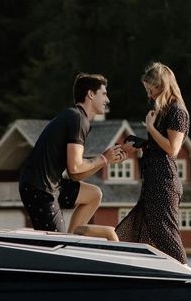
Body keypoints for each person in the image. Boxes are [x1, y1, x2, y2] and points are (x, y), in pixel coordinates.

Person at [19, 73, 127, 238]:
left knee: (93, 195)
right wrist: (103, 158)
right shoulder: (77, 119)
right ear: (91, 94)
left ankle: (74, 239)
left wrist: (106, 160)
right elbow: (75, 168)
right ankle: (67, 244)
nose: (108, 100)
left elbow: (75, 175)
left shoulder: (77, 117)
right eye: (104, 94)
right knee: (56, 244)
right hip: (39, 188)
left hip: (50, 184)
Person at [116, 61, 189, 264]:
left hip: (164, 184)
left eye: (151, 90)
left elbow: (172, 149)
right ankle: (141, 278)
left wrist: (150, 128)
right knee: (131, 233)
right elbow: (158, 147)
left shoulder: (178, 112)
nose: (149, 95)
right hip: (153, 182)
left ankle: (189, 279)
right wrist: (140, 144)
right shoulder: (163, 111)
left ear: (162, 86)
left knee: (166, 235)